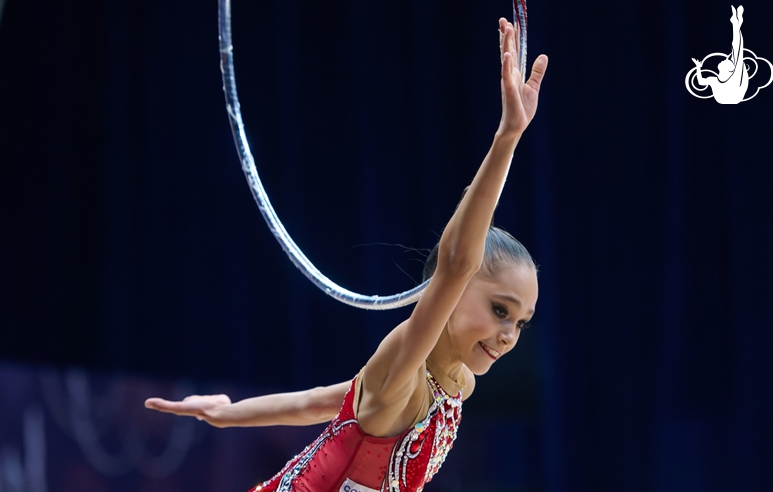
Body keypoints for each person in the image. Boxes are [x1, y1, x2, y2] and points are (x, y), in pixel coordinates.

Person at [145, 17, 547, 492]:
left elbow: (319, 402)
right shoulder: (403, 368)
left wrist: (228, 413)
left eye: (520, 322)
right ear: (455, 290)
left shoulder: (458, 384)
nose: (508, 336)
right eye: (500, 310)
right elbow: (457, 261)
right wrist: (507, 137)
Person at [692, 5, 748, 104]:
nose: (724, 59)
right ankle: (736, 24)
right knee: (737, 52)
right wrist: (698, 67)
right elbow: (701, 82)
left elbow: (701, 82)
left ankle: (736, 24)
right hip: (731, 97)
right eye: (728, 61)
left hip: (732, 96)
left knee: (737, 51)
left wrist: (698, 67)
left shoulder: (722, 79)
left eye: (727, 61)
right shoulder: (717, 79)